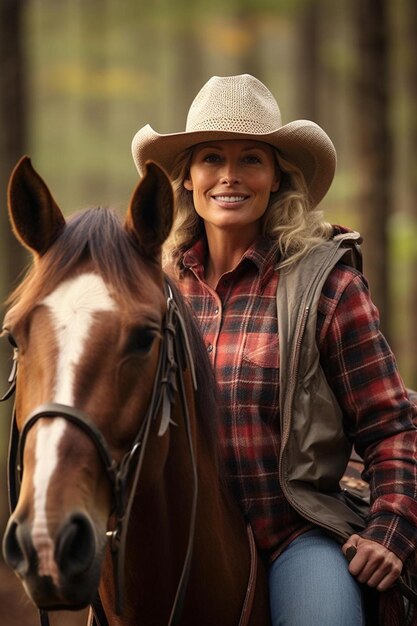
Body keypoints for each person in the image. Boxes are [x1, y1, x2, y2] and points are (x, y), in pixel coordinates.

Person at [131, 74, 417, 625]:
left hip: (294, 534)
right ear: (187, 178)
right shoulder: (153, 290)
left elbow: (391, 425)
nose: (230, 177)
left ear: (277, 179)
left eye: (252, 160)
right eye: (211, 158)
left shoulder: (327, 287)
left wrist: (391, 530)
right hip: (176, 545)